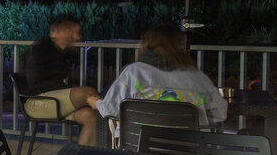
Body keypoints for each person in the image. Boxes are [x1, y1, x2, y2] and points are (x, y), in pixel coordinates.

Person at [89, 24, 227, 125]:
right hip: (188, 154)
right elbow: (220, 114)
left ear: (147, 46)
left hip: (138, 151)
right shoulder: (197, 77)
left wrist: (97, 103)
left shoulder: (135, 72)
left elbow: (110, 109)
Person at [21, 18, 99, 147]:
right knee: (88, 92)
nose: (78, 37)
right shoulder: (41, 49)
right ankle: (112, 112)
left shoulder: (61, 53)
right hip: (35, 102)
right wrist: (70, 90)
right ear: (66, 31)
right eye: (76, 32)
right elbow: (34, 84)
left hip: (52, 100)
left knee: (91, 116)